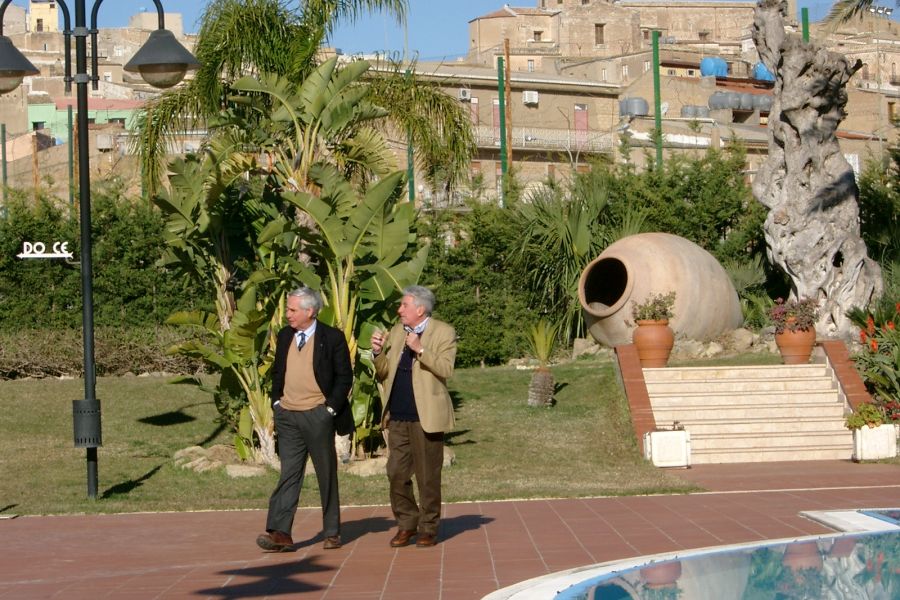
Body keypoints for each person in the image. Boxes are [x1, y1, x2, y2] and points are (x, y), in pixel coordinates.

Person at [256, 286, 353, 552]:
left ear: (310, 311)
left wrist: (329, 411)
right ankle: (280, 533)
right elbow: (278, 372)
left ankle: (331, 532)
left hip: (317, 416)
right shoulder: (286, 335)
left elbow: (344, 377)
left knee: (326, 474)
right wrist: (277, 403)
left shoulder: (332, 338)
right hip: (288, 416)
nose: (287, 314)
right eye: (287, 309)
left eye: (292, 310)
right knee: (289, 474)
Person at [371, 285, 457, 548]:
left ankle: (428, 527)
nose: (399, 310)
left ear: (420, 309)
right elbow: (384, 372)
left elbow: (446, 368)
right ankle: (406, 523)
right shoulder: (397, 332)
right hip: (397, 416)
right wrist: (377, 353)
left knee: (427, 476)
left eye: (404, 305)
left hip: (426, 416)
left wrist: (420, 349)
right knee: (396, 472)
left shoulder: (444, 332)